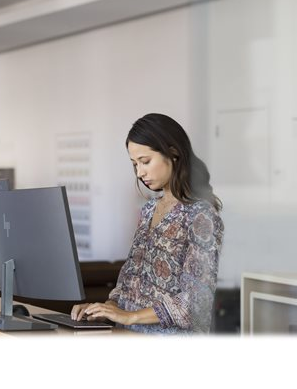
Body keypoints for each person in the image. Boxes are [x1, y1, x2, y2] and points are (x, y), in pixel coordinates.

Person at [71, 113, 224, 334]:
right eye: (135, 164)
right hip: (127, 335)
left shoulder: (202, 216)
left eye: (145, 161)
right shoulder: (149, 209)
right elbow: (129, 279)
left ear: (173, 153)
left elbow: (195, 304)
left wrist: (129, 316)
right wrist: (105, 308)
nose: (139, 172)